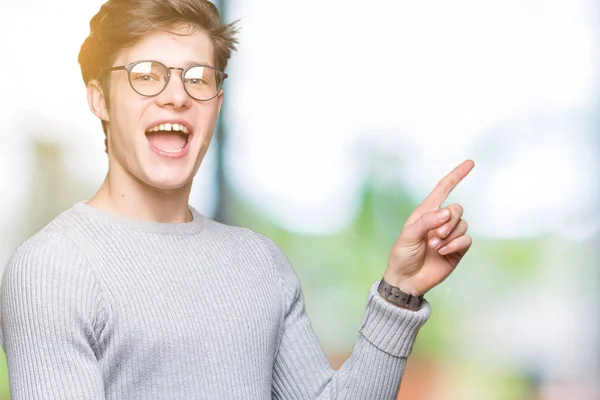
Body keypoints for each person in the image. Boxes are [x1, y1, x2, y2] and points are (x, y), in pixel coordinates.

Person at [0, 0, 474, 399]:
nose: (176, 97)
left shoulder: (259, 261)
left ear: (217, 103)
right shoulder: (53, 269)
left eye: (198, 77)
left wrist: (400, 291)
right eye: (146, 74)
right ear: (99, 99)